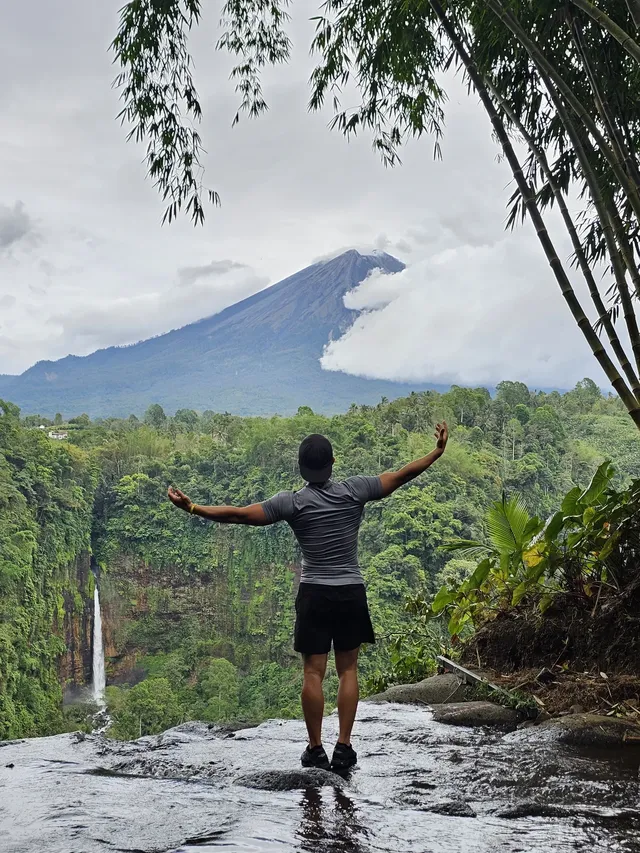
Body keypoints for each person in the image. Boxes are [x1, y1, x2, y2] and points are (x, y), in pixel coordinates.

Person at [168, 421, 448, 772]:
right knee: (348, 670)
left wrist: (193, 508)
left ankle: (315, 749)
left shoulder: (291, 504)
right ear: (333, 463)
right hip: (350, 591)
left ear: (301, 469)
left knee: (313, 673)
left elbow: (239, 515)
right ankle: (344, 747)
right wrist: (436, 451)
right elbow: (401, 475)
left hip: (314, 593)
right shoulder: (356, 490)